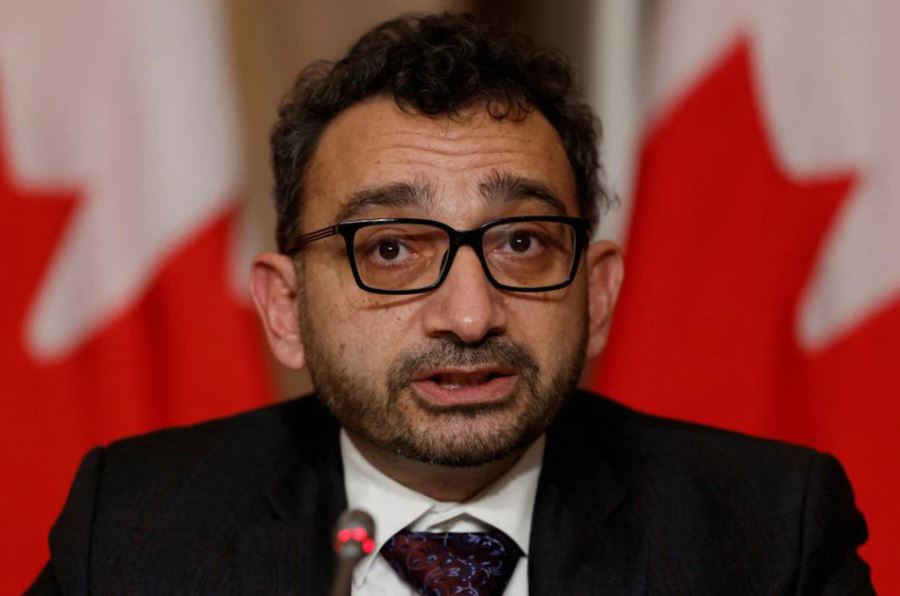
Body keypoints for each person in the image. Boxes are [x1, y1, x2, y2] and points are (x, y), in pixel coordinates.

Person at [29, 12, 873, 595]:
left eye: (519, 244)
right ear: (285, 309)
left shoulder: (762, 534)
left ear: (599, 291)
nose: (469, 317)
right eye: (391, 251)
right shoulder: (141, 527)